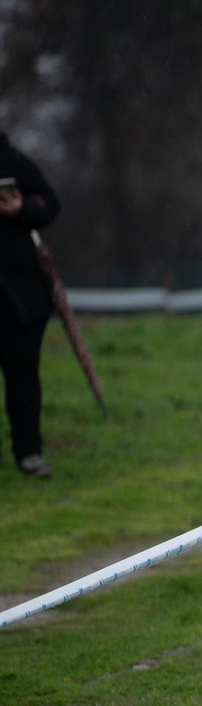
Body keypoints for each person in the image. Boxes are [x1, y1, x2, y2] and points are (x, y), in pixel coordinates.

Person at [0, 133, 62, 479]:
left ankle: (29, 452)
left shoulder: (12, 160)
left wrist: (20, 208)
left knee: (23, 375)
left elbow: (50, 203)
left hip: (21, 297)